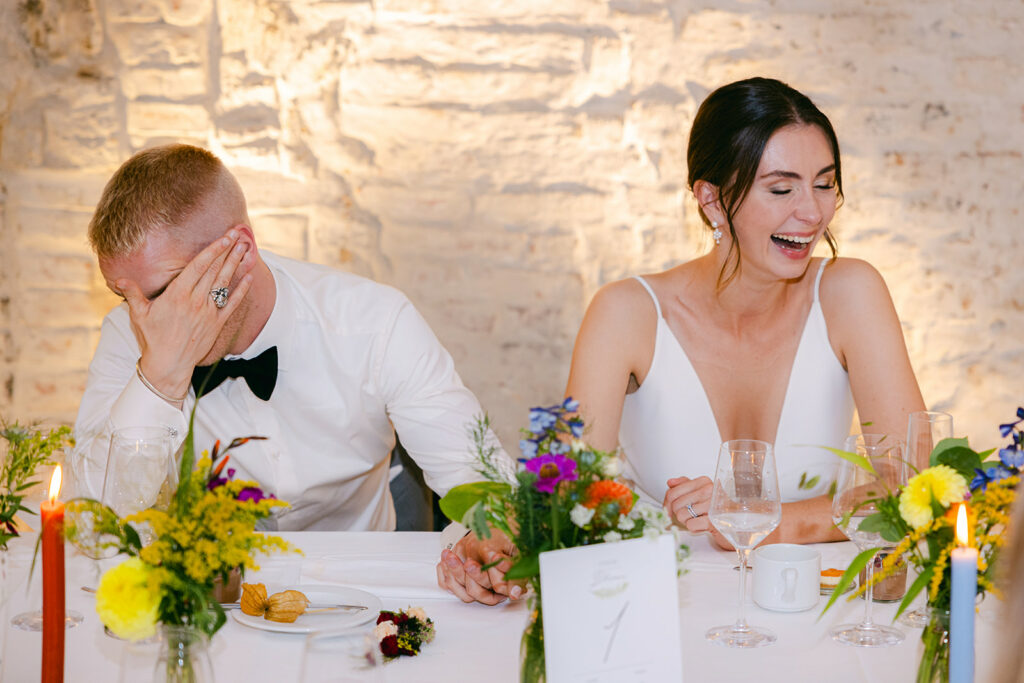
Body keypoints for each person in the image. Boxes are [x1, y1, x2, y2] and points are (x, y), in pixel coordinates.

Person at [73, 144, 515, 541]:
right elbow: (93, 525)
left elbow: (487, 490)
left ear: (239, 253)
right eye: (122, 296)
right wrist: (159, 380)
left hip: (366, 588)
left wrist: (486, 540)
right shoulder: (127, 338)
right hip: (216, 602)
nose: (140, 319)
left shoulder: (375, 323)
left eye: (159, 293)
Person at [563, 77, 925, 547]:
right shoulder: (626, 314)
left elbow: (915, 492)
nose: (813, 214)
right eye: (781, 190)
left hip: (809, 603)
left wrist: (752, 520)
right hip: (665, 603)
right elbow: (566, 504)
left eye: (824, 184)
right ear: (711, 200)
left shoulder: (851, 293)